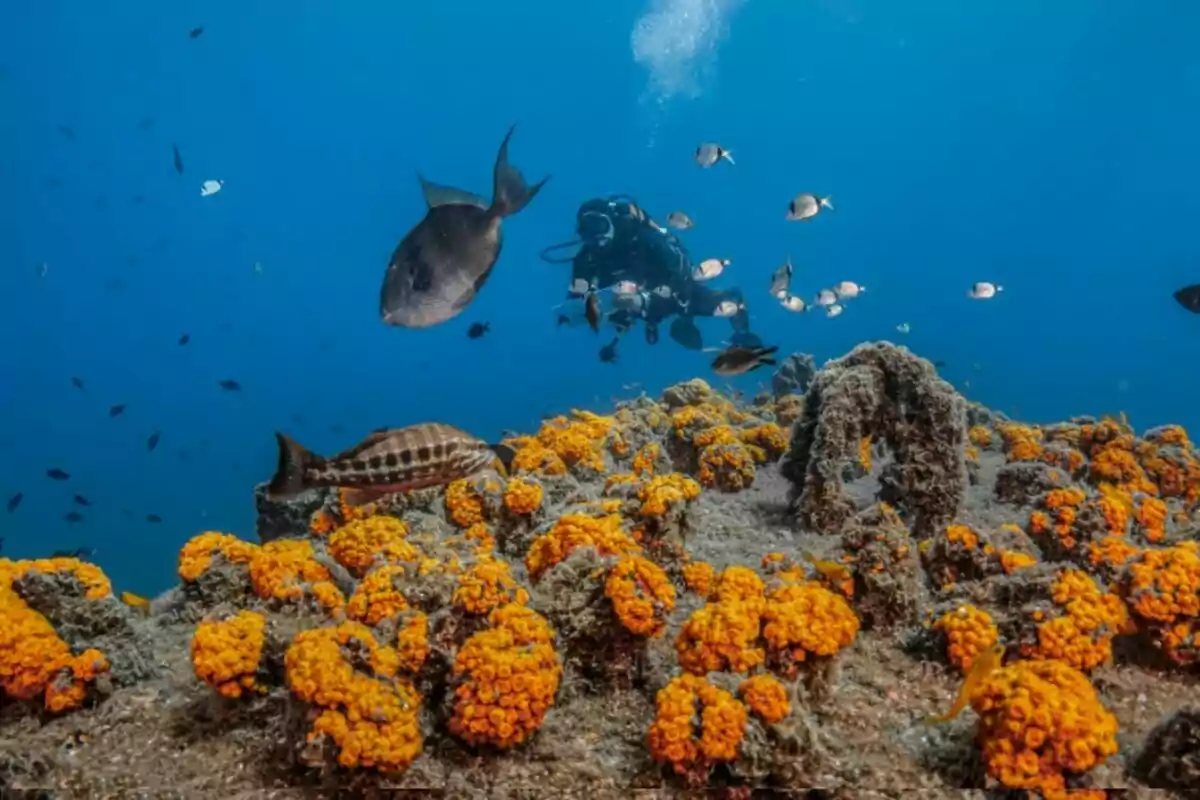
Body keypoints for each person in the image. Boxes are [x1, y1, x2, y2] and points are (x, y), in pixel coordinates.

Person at [541, 195, 755, 347]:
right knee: (632, 311)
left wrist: (650, 298)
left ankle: (736, 313)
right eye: (588, 230)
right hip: (631, 304)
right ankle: (674, 318)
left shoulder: (640, 237)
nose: (597, 236)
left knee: (705, 306)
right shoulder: (587, 256)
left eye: (600, 226)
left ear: (612, 222)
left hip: (671, 290)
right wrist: (574, 308)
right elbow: (578, 292)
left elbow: (678, 269)